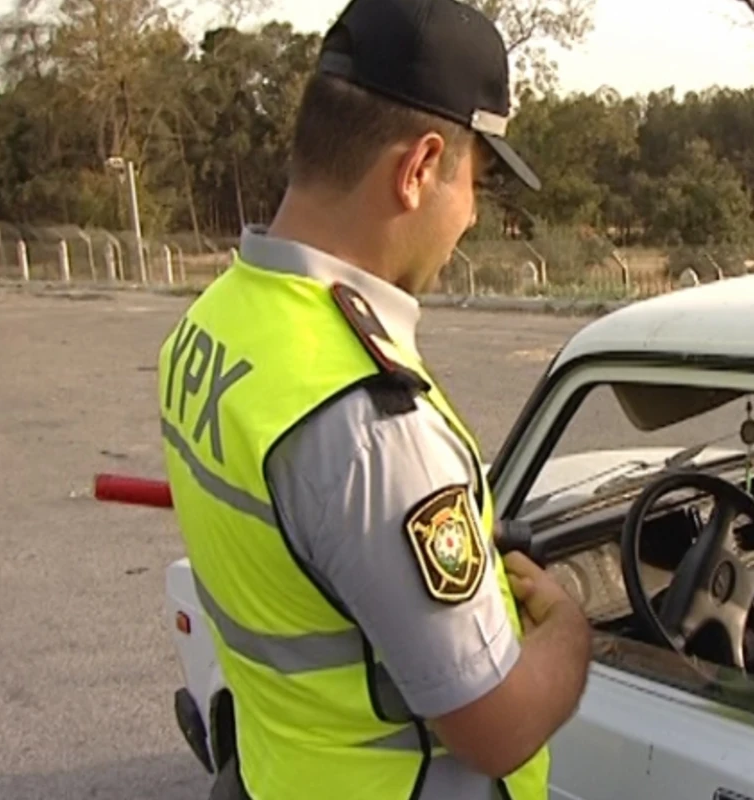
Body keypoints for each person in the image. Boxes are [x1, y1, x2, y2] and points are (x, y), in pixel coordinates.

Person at [156, 1, 591, 798]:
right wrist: (570, 631)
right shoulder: (370, 424)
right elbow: (494, 727)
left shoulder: (213, 323)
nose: (467, 220)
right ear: (420, 168)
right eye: (476, 185)